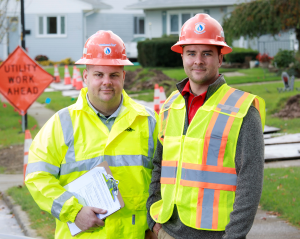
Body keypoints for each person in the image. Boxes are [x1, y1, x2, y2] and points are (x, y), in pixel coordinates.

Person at [25, 30, 158, 239]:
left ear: (123, 76)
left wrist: (156, 224)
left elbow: (165, 180)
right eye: (99, 74)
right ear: (86, 76)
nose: (107, 82)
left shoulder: (149, 122)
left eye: (114, 75)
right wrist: (74, 211)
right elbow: (36, 176)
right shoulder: (62, 124)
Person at [147, 14, 266, 239]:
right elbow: (159, 164)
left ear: (220, 58)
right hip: (167, 230)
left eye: (207, 53)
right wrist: (153, 217)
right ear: (182, 56)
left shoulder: (243, 110)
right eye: (191, 53)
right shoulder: (171, 104)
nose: (198, 61)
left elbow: (250, 184)